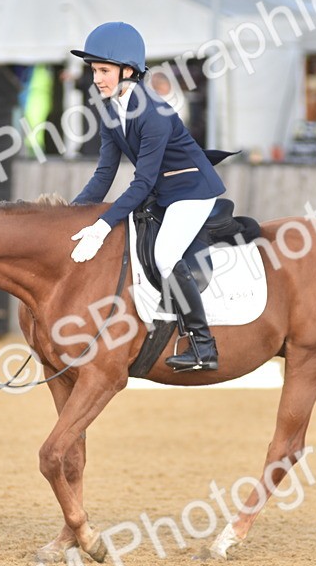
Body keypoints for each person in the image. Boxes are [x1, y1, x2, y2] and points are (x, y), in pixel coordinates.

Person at [68, 22, 227, 372]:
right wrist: (72, 215)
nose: (96, 78)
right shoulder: (110, 110)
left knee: (165, 255)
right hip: (161, 191)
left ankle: (203, 345)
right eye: (94, 70)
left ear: (128, 71)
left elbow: (141, 183)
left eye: (104, 71)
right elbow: (104, 175)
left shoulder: (154, 114)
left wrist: (101, 226)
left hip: (191, 191)